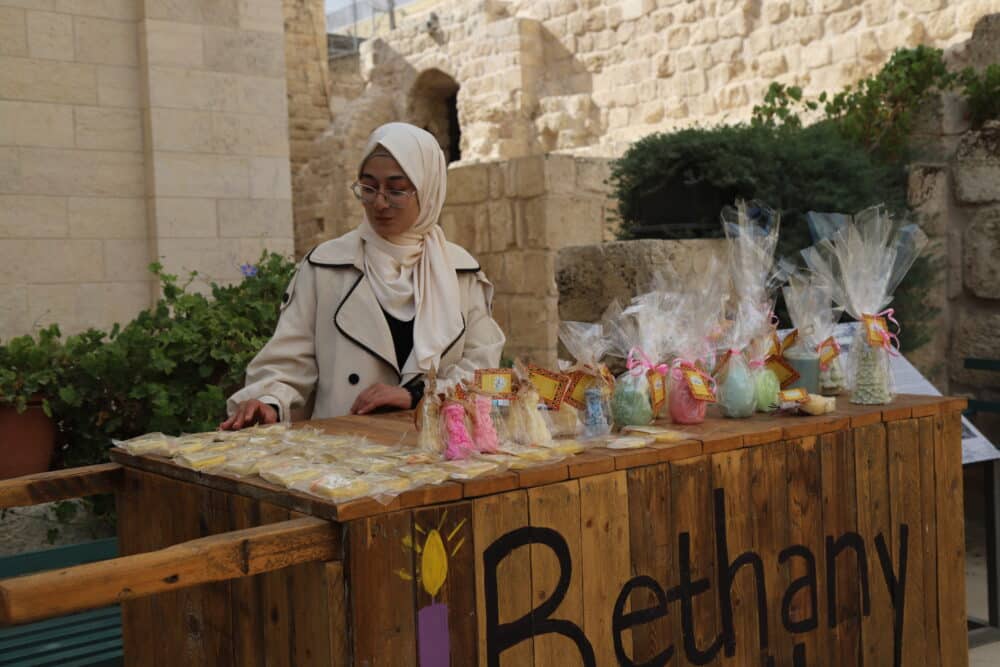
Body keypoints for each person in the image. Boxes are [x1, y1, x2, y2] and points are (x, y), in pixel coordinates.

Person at [221, 122, 505, 429]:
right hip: (344, 448)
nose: (379, 203)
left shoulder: (460, 272)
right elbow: (288, 362)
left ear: (428, 189)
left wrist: (417, 395)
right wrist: (268, 402)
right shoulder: (326, 266)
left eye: (396, 190)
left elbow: (485, 372)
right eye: (368, 188)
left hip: (438, 445)